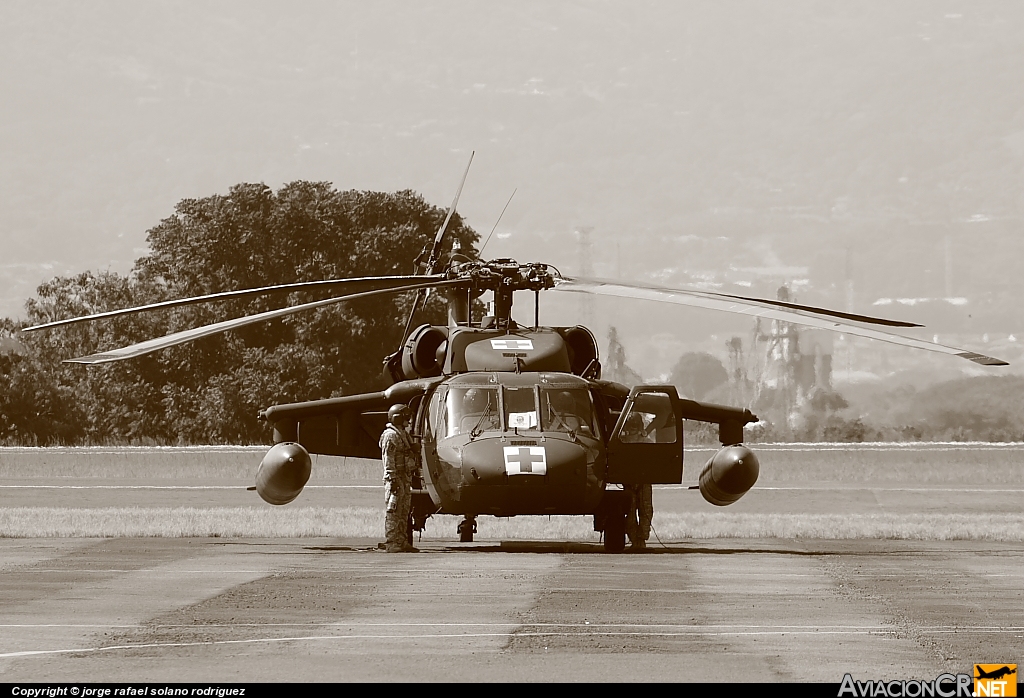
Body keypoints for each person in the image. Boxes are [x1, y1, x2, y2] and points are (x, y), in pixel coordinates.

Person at [380, 403, 419, 553]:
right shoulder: (391, 436)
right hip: (395, 479)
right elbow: (388, 459)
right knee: (394, 512)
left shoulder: (402, 434)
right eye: (405, 417)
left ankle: (402, 541)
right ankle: (392, 542)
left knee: (403, 511)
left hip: (404, 477)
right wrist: (393, 479)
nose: (408, 420)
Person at [620, 412, 653, 550]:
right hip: (629, 482)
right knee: (630, 511)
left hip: (644, 481)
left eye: (635, 424)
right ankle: (634, 540)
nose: (633, 427)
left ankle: (642, 539)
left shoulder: (647, 442)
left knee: (645, 510)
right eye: (631, 423)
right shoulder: (622, 441)